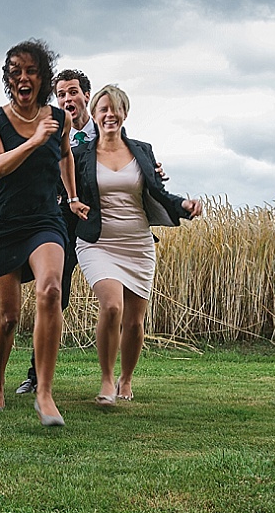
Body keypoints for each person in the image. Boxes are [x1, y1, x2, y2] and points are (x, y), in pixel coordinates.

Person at [15, 69, 168, 395]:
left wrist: (155, 176)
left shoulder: (115, 140)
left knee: (125, 312)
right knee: (55, 294)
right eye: (61, 94)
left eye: (72, 92)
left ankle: (120, 378)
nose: (67, 99)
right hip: (61, 227)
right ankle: (37, 376)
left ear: (87, 96)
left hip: (106, 231)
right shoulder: (56, 136)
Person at [72, 84, 202, 405]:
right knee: (112, 306)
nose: (109, 114)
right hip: (97, 242)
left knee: (133, 321)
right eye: (103, 109)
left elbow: (157, 193)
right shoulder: (79, 155)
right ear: (95, 114)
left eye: (115, 109)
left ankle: (125, 379)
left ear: (124, 113)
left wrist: (182, 205)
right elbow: (64, 192)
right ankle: (105, 380)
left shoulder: (142, 150)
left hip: (137, 243)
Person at [0, 39, 78, 426]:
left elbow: (65, 154)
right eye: (15, 71)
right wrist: (35, 139)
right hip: (1, 223)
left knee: (51, 289)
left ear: (43, 77)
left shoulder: (59, 118)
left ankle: (45, 393)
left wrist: (71, 197)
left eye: (31, 70)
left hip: (43, 219)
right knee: (7, 317)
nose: (23, 77)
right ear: (8, 79)